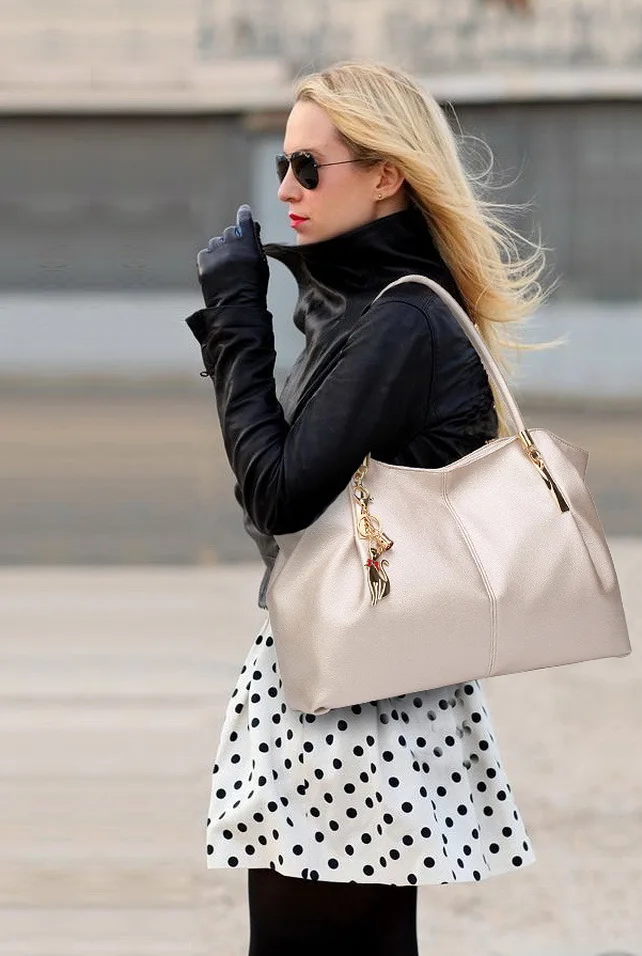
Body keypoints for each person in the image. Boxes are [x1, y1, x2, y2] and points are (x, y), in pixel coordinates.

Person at [186, 60, 546, 956]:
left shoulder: (399, 322)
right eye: (283, 165)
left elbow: (277, 495)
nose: (286, 189)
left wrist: (235, 316)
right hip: (359, 677)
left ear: (387, 174)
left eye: (310, 167)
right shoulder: (368, 309)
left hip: (355, 697)